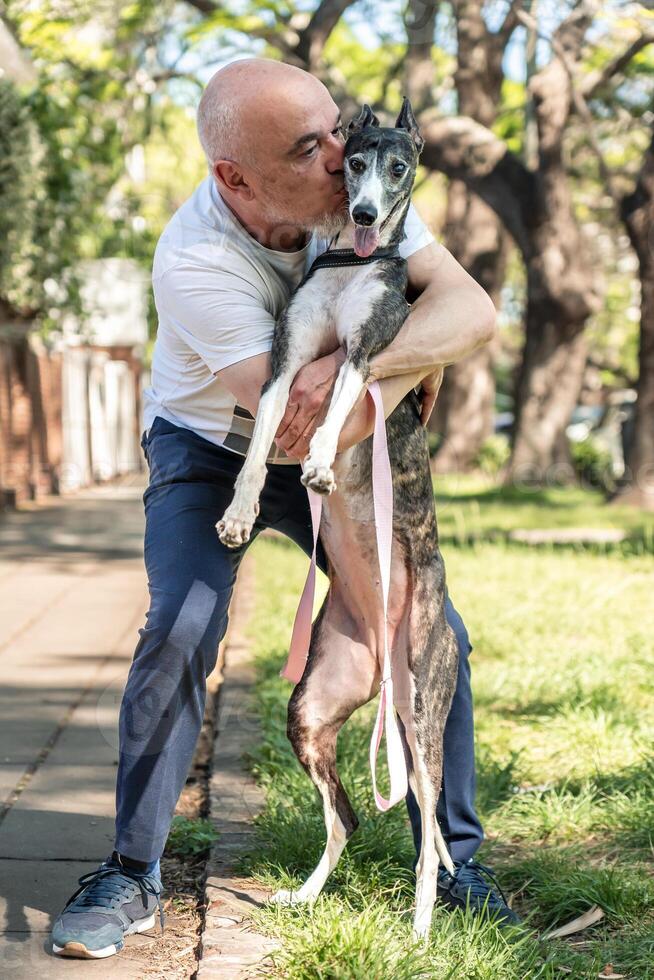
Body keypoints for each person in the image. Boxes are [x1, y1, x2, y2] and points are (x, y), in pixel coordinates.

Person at [51, 58, 518, 960]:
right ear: (238, 178)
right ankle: (129, 871)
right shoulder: (194, 262)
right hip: (217, 448)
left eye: (338, 128)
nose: (343, 157)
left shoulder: (366, 192)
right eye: (313, 148)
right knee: (185, 623)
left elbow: (473, 312)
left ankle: (457, 863)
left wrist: (372, 364)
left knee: (429, 623)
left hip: (342, 436)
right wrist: (392, 365)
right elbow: (296, 423)